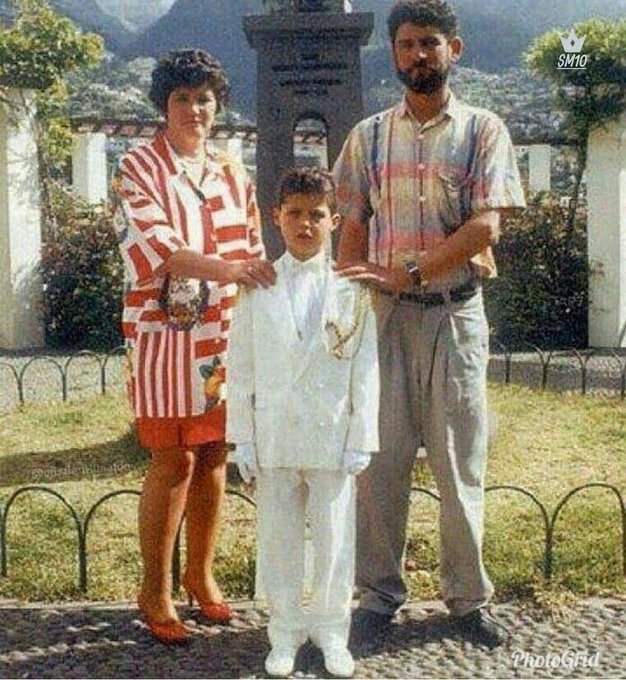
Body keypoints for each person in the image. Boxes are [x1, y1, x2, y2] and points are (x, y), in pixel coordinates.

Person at [332, 0, 525, 648]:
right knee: (378, 463)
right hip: (385, 319)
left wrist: (410, 272)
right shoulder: (368, 137)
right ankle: (377, 598)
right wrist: (348, 309)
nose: (419, 55)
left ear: (454, 50)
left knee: (457, 464)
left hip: (452, 316)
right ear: (393, 53)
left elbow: (485, 227)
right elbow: (352, 227)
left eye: (431, 44)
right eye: (409, 44)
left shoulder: (483, 130)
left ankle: (467, 599)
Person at [111, 48, 276, 644]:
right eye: (181, 98)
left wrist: (253, 280)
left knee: (213, 459)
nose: (194, 109)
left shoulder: (233, 171)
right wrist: (230, 270)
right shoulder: (138, 166)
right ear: (165, 104)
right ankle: (154, 588)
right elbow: (161, 249)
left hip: (222, 334)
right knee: (173, 459)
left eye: (203, 98)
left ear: (216, 104)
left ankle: (200, 578)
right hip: (161, 334)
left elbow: (253, 242)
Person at [226, 168, 380, 677]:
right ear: (276, 218)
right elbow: (241, 367)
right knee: (280, 537)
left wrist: (362, 437)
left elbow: (365, 369)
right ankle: (286, 631)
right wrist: (241, 439)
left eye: (316, 215)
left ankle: (333, 632)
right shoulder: (257, 286)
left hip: (331, 433)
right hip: (274, 433)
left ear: (333, 220)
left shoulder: (352, 289)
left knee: (335, 539)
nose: (305, 224)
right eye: (294, 213)